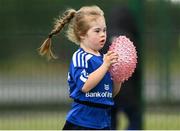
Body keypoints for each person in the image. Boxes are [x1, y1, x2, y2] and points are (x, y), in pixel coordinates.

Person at [39, 5, 122, 130]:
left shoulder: (104, 59)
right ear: (82, 34)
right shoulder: (80, 57)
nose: (103, 35)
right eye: (97, 31)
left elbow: (111, 93)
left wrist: (119, 76)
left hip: (103, 123)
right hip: (81, 123)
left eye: (104, 30)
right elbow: (85, 86)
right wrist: (105, 66)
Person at [101, 6, 142, 130]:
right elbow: (136, 68)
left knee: (110, 120)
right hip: (127, 90)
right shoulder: (130, 39)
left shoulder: (103, 37)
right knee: (135, 118)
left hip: (107, 89)